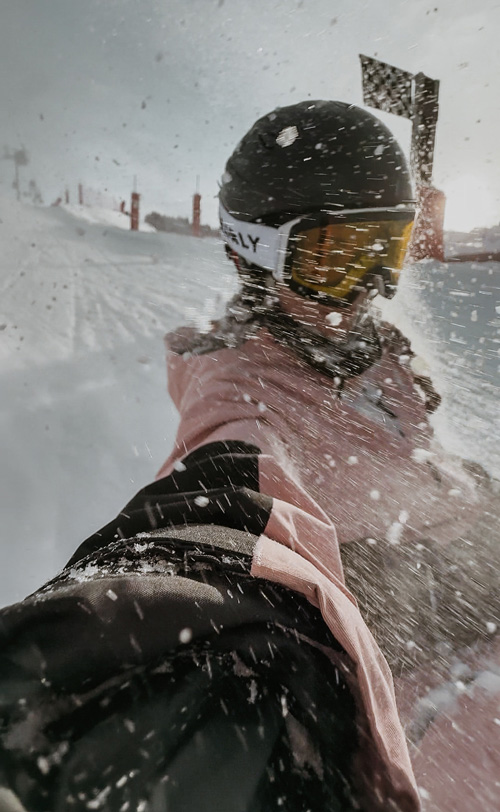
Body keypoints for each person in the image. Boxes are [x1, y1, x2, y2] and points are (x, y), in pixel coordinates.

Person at [0, 100, 497, 812]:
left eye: (385, 250)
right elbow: (224, 495)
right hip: (396, 647)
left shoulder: (369, 345)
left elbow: (411, 455)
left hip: (457, 572)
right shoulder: (242, 390)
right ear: (254, 250)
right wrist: (134, 657)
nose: (367, 292)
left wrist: (468, 486)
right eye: (334, 259)